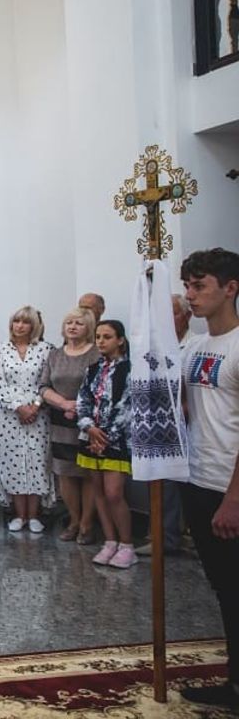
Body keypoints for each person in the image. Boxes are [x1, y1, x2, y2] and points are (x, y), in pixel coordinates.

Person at [177, 248, 239, 711]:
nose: (191, 295)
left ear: (230, 288)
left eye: (200, 286)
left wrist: (234, 498)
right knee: (222, 586)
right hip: (198, 479)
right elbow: (182, 411)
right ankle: (233, 681)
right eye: (188, 286)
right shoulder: (196, 347)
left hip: (229, 487)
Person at [0, 306, 55, 533]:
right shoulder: (1, 349)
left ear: (34, 326)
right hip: (8, 415)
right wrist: (18, 407)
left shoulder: (46, 349)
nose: (20, 326)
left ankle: (34, 515)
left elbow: (48, 381)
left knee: (36, 461)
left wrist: (34, 406)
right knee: (12, 463)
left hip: (38, 414)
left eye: (25, 322)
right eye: (16, 321)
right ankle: (18, 514)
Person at [137, 293, 195, 557]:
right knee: (167, 486)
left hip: (196, 429)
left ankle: (194, 536)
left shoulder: (194, 345)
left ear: (187, 316)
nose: (166, 321)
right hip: (166, 429)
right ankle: (166, 537)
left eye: (172, 313)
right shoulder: (154, 350)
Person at [75, 320, 135, 569]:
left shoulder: (130, 369)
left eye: (107, 337)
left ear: (120, 340)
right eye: (98, 336)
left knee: (114, 493)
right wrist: (88, 426)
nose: (101, 341)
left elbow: (127, 405)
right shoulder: (93, 369)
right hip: (91, 436)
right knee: (97, 491)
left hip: (115, 440)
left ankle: (127, 544)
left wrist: (105, 436)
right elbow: (83, 399)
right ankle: (109, 541)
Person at [39, 307, 100, 544]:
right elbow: (43, 386)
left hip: (88, 422)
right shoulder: (55, 354)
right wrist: (63, 403)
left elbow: (101, 385)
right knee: (65, 473)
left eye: (79, 323)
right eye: (69, 322)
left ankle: (87, 523)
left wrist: (79, 406)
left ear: (89, 328)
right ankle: (74, 520)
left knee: (87, 474)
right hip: (60, 420)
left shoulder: (95, 354)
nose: (73, 327)